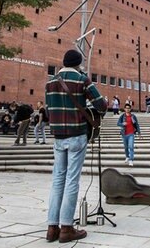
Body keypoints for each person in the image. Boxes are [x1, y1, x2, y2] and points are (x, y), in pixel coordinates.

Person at [45, 49, 107, 243]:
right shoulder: (81, 79)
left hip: (58, 136)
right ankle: (66, 228)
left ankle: (51, 228)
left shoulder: (50, 82)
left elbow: (48, 109)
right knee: (72, 180)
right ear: (78, 63)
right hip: (77, 134)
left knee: (57, 180)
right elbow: (101, 105)